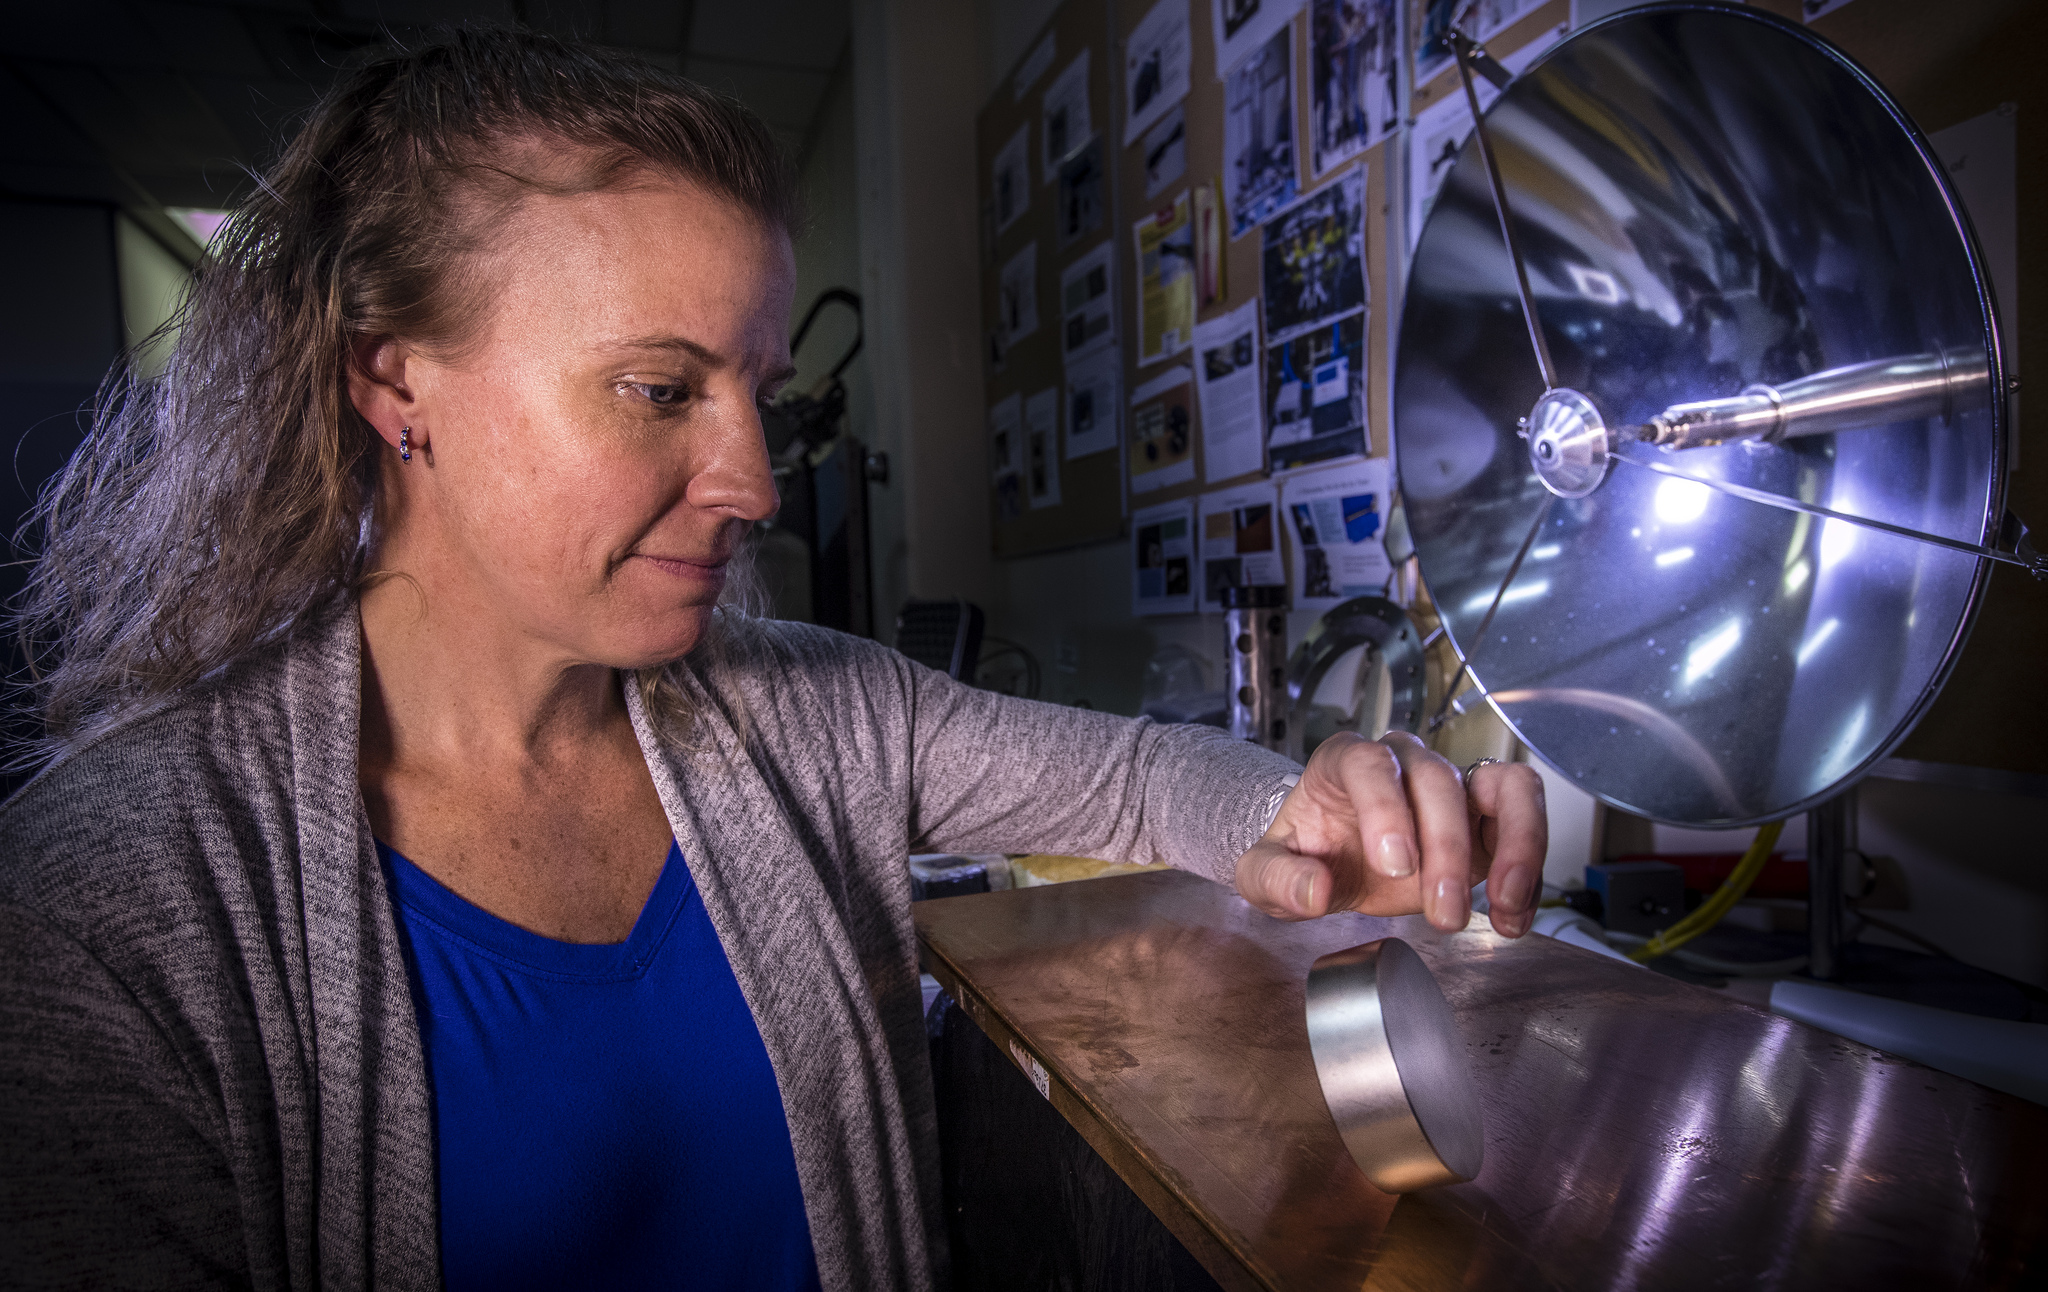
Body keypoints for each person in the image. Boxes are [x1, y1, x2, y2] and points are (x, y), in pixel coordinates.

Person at [0, 27, 1546, 1292]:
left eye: (754, 390)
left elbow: (1151, 780)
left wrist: (1319, 807)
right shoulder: (115, 900)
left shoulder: (822, 712)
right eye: (660, 390)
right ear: (398, 386)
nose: (754, 478)